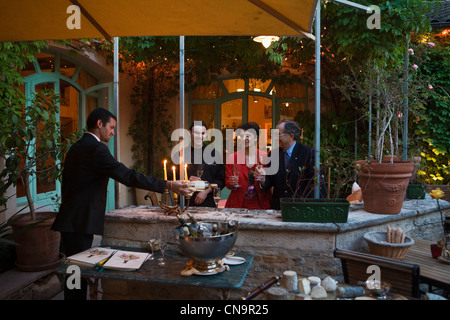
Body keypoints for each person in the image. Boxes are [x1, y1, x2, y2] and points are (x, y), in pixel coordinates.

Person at [52, 108, 190, 300]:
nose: (113, 132)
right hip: (80, 220)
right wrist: (168, 185)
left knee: (74, 271)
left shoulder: (76, 146)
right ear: (99, 124)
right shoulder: (96, 148)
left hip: (72, 218)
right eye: (111, 127)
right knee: (77, 272)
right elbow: (127, 175)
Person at [255, 120, 326, 210]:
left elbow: (317, 184)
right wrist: (263, 179)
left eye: (278, 134)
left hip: (301, 208)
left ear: (291, 136)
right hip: (279, 209)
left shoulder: (308, 153)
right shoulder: (273, 154)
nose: (275, 138)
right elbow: (269, 182)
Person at [225, 122, 271, 209]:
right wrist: (232, 183)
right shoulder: (232, 158)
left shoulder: (266, 157)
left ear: (256, 137)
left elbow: (271, 183)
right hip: (237, 204)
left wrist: (263, 180)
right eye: (241, 136)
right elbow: (228, 182)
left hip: (261, 204)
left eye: (247, 136)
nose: (243, 139)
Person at [185, 121, 225, 207]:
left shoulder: (214, 154)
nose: (200, 136)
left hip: (209, 203)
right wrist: (186, 180)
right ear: (189, 133)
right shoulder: (181, 154)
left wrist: (206, 191)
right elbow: (171, 177)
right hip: (185, 203)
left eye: (202, 133)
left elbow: (221, 180)